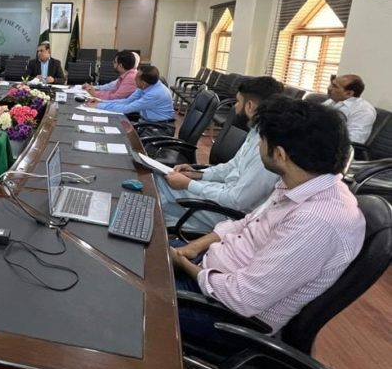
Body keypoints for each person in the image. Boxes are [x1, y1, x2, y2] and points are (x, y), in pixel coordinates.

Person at [169, 97, 365, 338]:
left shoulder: (318, 221)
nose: (258, 145)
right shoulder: (299, 183)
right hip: (208, 269)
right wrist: (192, 248)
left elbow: (241, 298)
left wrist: (183, 264)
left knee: (125, 292)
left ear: (280, 154)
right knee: (136, 250)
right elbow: (245, 223)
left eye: (261, 140)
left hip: (225, 317)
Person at [157, 76, 284, 232]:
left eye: (238, 102)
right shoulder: (255, 132)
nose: (235, 107)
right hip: (221, 193)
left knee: (158, 185)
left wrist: (188, 184)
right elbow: (231, 166)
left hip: (227, 213)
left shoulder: (268, 151)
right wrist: (197, 174)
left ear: (250, 106)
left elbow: (238, 201)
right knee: (159, 178)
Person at [86, 66, 174, 129]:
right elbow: (127, 101)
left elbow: (127, 108)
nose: (134, 79)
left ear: (143, 82)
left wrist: (98, 106)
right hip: (146, 122)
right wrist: (100, 102)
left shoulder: (155, 93)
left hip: (159, 127)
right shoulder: (147, 85)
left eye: (136, 78)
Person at [324, 74, 376, 144]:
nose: (329, 88)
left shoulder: (363, 110)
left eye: (334, 86)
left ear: (349, 93)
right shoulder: (330, 102)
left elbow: (354, 140)